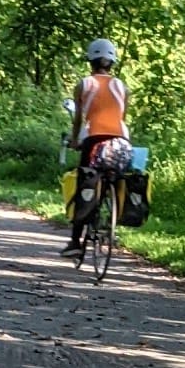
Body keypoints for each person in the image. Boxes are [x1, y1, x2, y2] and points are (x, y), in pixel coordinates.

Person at [64, 39, 129, 243]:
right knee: (118, 177)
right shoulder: (122, 86)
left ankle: (75, 242)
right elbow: (122, 117)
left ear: (90, 60)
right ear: (112, 62)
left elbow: (78, 119)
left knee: (85, 183)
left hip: (94, 139)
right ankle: (113, 223)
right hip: (121, 141)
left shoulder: (84, 84)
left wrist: (74, 140)